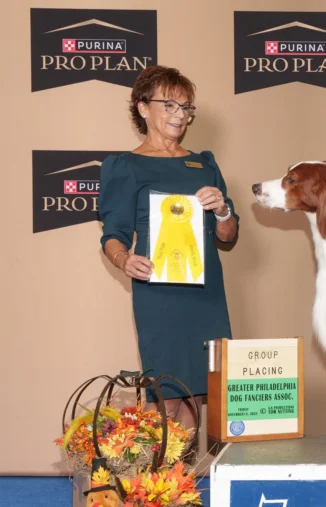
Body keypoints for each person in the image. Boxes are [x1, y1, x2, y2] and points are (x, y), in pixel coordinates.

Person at [97, 66, 239, 440]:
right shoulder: (125, 166)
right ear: (143, 108)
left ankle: (179, 488)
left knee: (194, 396)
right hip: (159, 294)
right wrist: (123, 259)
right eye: (170, 104)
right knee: (164, 395)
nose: (180, 114)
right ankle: (144, 488)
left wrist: (222, 209)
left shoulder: (204, 164)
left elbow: (228, 234)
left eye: (186, 107)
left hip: (206, 294)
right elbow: (112, 235)